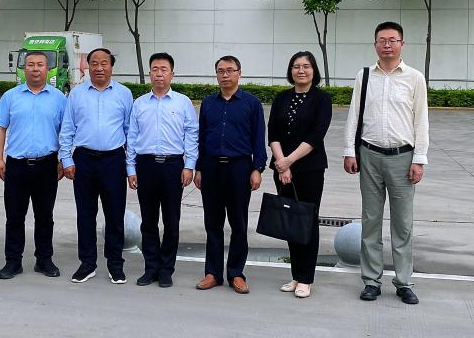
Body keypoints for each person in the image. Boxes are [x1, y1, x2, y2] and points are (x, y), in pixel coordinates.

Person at [344, 21, 429, 305]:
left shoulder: (414, 78)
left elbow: (421, 121)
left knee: (403, 224)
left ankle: (404, 282)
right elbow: (354, 115)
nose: (387, 45)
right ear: (375, 44)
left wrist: (419, 159)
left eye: (393, 40)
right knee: (370, 220)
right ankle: (371, 281)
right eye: (382, 40)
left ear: (402, 44)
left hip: (403, 158)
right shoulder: (365, 76)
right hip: (369, 155)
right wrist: (349, 150)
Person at [59, 48, 133, 285]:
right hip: (84, 160)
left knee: (115, 215)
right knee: (85, 215)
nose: (99, 68)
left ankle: (115, 264)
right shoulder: (77, 94)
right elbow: (67, 129)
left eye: (104, 63)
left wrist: (131, 167)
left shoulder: (124, 94)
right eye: (94, 63)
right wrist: (66, 160)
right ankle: (87, 263)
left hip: (114, 160)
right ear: (87, 66)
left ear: (111, 66)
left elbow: (130, 132)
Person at [0, 51, 68, 280]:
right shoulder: (10, 97)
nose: (35, 69)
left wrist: (63, 159)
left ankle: (44, 260)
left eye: (40, 65)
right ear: (24, 69)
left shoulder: (59, 99)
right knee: (15, 216)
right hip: (17, 166)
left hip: (47, 165)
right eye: (31, 65)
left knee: (45, 216)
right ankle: (13, 261)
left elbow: (66, 132)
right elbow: (0, 128)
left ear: (48, 69)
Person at [194, 55, 267, 294]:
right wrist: (199, 168)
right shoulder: (208, 103)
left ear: (239, 73)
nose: (225, 75)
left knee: (238, 223)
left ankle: (236, 273)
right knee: (212, 223)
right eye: (220, 71)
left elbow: (258, 138)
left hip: (240, 168)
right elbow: (201, 138)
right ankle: (213, 273)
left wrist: (257, 169)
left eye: (229, 70)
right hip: (211, 168)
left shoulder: (251, 103)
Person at [126, 52, 198, 288]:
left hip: (173, 167)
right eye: (155, 69)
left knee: (171, 221)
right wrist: (131, 168)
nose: (159, 73)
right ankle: (151, 268)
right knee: (148, 222)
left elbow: (191, 136)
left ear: (172, 74)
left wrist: (189, 166)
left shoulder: (182, 102)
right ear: (149, 73)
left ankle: (166, 270)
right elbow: (132, 137)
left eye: (163, 69)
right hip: (145, 166)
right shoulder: (139, 104)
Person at [268, 51, 332, 299]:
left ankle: (306, 278)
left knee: (307, 222)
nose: (301, 70)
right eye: (296, 66)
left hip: (309, 169)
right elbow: (272, 132)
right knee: (290, 221)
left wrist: (289, 161)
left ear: (314, 70)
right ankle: (296, 275)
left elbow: (316, 135)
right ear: (290, 70)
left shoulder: (321, 99)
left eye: (306, 66)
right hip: (282, 169)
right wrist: (281, 164)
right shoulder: (281, 98)